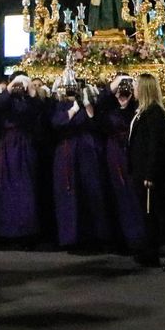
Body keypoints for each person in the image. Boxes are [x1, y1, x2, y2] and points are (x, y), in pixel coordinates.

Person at [127, 73, 165, 272]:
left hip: (153, 172)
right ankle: (150, 252)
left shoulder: (154, 113)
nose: (133, 89)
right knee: (149, 213)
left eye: (136, 85)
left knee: (164, 214)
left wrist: (150, 174)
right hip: (142, 169)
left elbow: (156, 145)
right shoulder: (142, 111)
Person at [50, 80, 112, 250]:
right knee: (70, 192)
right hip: (67, 151)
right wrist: (74, 108)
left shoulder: (88, 104)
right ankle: (72, 237)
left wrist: (87, 105)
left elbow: (95, 123)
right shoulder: (61, 105)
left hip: (86, 150)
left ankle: (95, 236)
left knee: (91, 191)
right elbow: (57, 122)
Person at [0, 73, 43, 244]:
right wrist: (10, 87)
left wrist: (31, 91)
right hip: (7, 145)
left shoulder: (29, 100)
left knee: (27, 188)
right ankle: (7, 232)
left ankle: (27, 232)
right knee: (6, 187)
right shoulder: (7, 99)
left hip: (25, 144)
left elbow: (38, 111)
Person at [97, 75, 147, 255]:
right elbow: (101, 101)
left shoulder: (137, 110)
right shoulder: (107, 110)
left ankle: (139, 239)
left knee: (135, 196)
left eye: (126, 92)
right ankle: (120, 240)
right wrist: (116, 82)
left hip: (133, 155)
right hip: (113, 156)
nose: (122, 94)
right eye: (119, 91)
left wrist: (135, 88)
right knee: (116, 196)